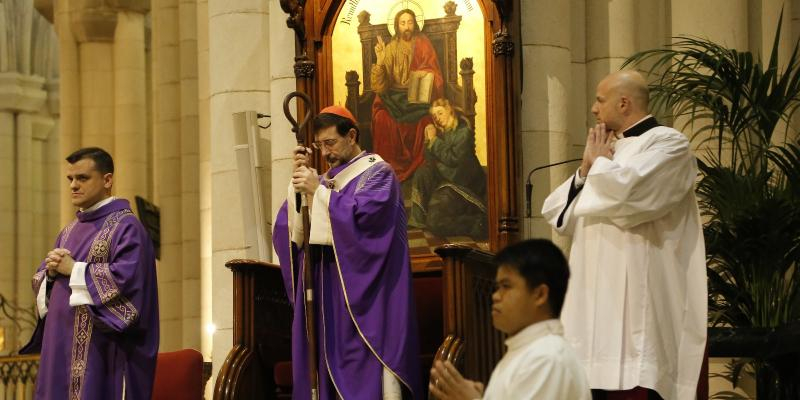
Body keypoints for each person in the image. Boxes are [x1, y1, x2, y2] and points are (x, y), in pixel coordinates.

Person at [541, 70, 707, 400]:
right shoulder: (606, 151)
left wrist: (599, 165)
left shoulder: (669, 143)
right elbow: (558, 214)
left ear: (625, 102)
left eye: (600, 100)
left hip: (641, 303)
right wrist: (586, 169)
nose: (593, 109)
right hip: (593, 301)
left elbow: (630, 195)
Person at [273, 106, 422, 399]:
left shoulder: (379, 175)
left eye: (331, 143)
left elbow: (367, 227)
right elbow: (288, 230)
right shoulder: (326, 179)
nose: (325, 152)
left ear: (351, 135)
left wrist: (318, 192)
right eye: (319, 145)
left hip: (365, 302)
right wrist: (298, 189)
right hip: (326, 300)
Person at [22, 147, 159, 399]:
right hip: (60, 351)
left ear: (107, 180)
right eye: (70, 179)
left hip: (103, 357)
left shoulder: (127, 228)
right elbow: (48, 292)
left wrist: (74, 269)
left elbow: (128, 287)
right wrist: (50, 275)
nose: (73, 185)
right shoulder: (68, 231)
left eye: (82, 178)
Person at [428, 239, 591, 399]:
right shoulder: (528, 352)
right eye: (497, 287)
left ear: (540, 294)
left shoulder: (547, 358)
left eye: (506, 286)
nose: (496, 296)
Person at [371, 8, 445, 181]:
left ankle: (421, 171)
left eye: (410, 22)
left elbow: (434, 72)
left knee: (425, 121)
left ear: (415, 24)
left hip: (417, 98)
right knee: (381, 118)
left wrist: (422, 79)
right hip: (393, 97)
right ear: (397, 26)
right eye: (403, 23)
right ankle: (388, 169)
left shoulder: (423, 44)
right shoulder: (390, 48)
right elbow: (379, 87)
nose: (406, 27)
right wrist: (381, 60)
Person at [408, 98, 486, 238]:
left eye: (440, 113)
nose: (437, 119)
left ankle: (477, 223)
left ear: (450, 110)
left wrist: (434, 141)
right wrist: (428, 140)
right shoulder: (442, 132)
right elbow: (430, 160)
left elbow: (452, 159)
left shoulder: (463, 132)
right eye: (435, 116)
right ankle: (418, 221)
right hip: (447, 182)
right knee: (422, 173)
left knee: (435, 222)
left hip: (464, 186)